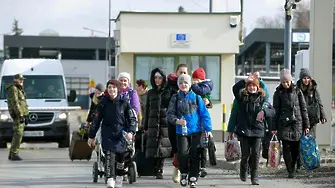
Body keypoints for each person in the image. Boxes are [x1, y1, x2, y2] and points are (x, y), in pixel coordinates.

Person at [87, 80, 137, 188]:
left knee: (120, 158)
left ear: (118, 89)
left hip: (121, 135)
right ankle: (110, 179)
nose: (111, 90)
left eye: (114, 87)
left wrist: (131, 132)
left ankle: (119, 177)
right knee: (109, 156)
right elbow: (96, 120)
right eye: (109, 87)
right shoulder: (103, 103)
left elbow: (132, 119)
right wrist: (91, 136)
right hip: (108, 134)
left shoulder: (124, 102)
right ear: (107, 89)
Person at [167, 74, 212, 188]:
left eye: (186, 83)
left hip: (196, 130)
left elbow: (204, 115)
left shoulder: (197, 98)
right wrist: (177, 121)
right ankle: (183, 173)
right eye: (181, 83)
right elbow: (169, 114)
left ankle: (193, 177)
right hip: (181, 131)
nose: (183, 85)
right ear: (178, 85)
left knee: (195, 154)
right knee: (182, 153)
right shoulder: (175, 98)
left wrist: (208, 129)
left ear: (190, 84)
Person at [233, 77, 275, 185]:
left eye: (254, 85)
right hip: (244, 130)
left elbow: (272, 111)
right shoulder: (242, 97)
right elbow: (235, 88)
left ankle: (254, 176)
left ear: (258, 87)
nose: (252, 87)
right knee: (245, 154)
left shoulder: (263, 99)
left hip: (258, 130)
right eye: (250, 85)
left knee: (256, 154)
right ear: (247, 87)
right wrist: (245, 81)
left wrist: (264, 112)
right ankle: (243, 169)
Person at [272, 69, 310, 178]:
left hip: (297, 123)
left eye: (287, 81)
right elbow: (276, 111)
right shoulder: (278, 93)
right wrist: (274, 127)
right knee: (287, 148)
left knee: (296, 148)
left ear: (291, 81)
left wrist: (306, 125)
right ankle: (290, 170)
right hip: (284, 123)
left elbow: (303, 109)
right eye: (283, 82)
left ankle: (294, 165)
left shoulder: (297, 92)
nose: (286, 84)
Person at [143, 68, 172, 179]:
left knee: (163, 145)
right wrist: (145, 125)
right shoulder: (150, 93)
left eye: (160, 77)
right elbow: (147, 109)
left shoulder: (167, 91)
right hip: (153, 122)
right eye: (155, 77)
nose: (157, 80)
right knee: (153, 146)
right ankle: (155, 167)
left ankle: (160, 169)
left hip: (164, 122)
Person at [162, 63, 188, 183]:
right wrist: (175, 94)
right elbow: (164, 101)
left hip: (188, 124)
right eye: (180, 72)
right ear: (176, 73)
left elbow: (200, 99)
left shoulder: (190, 86)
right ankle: (177, 168)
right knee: (177, 148)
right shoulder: (170, 85)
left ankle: (186, 171)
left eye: (184, 72)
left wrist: (208, 102)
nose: (182, 75)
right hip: (174, 123)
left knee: (188, 148)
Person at [191, 67, 213, 177]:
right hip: (194, 120)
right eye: (194, 79)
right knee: (195, 144)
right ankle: (196, 165)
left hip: (202, 121)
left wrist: (208, 103)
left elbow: (206, 98)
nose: (195, 81)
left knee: (203, 145)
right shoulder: (194, 89)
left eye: (196, 79)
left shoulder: (204, 86)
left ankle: (202, 166)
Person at [296, 68, 327, 138]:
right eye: (304, 78)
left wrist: (323, 116)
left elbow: (319, 103)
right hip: (301, 118)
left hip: (312, 119)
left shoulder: (314, 89)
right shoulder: (297, 90)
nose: (306, 80)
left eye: (308, 78)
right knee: (302, 140)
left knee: (311, 139)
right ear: (301, 79)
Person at [7, 74, 29, 161]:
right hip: (17, 115)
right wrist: (20, 115)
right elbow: (15, 103)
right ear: (15, 79)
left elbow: (23, 103)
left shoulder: (19, 89)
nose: (22, 81)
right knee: (18, 134)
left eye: (22, 79)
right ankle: (14, 154)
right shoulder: (14, 89)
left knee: (18, 134)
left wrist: (26, 114)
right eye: (20, 79)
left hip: (21, 114)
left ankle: (12, 154)